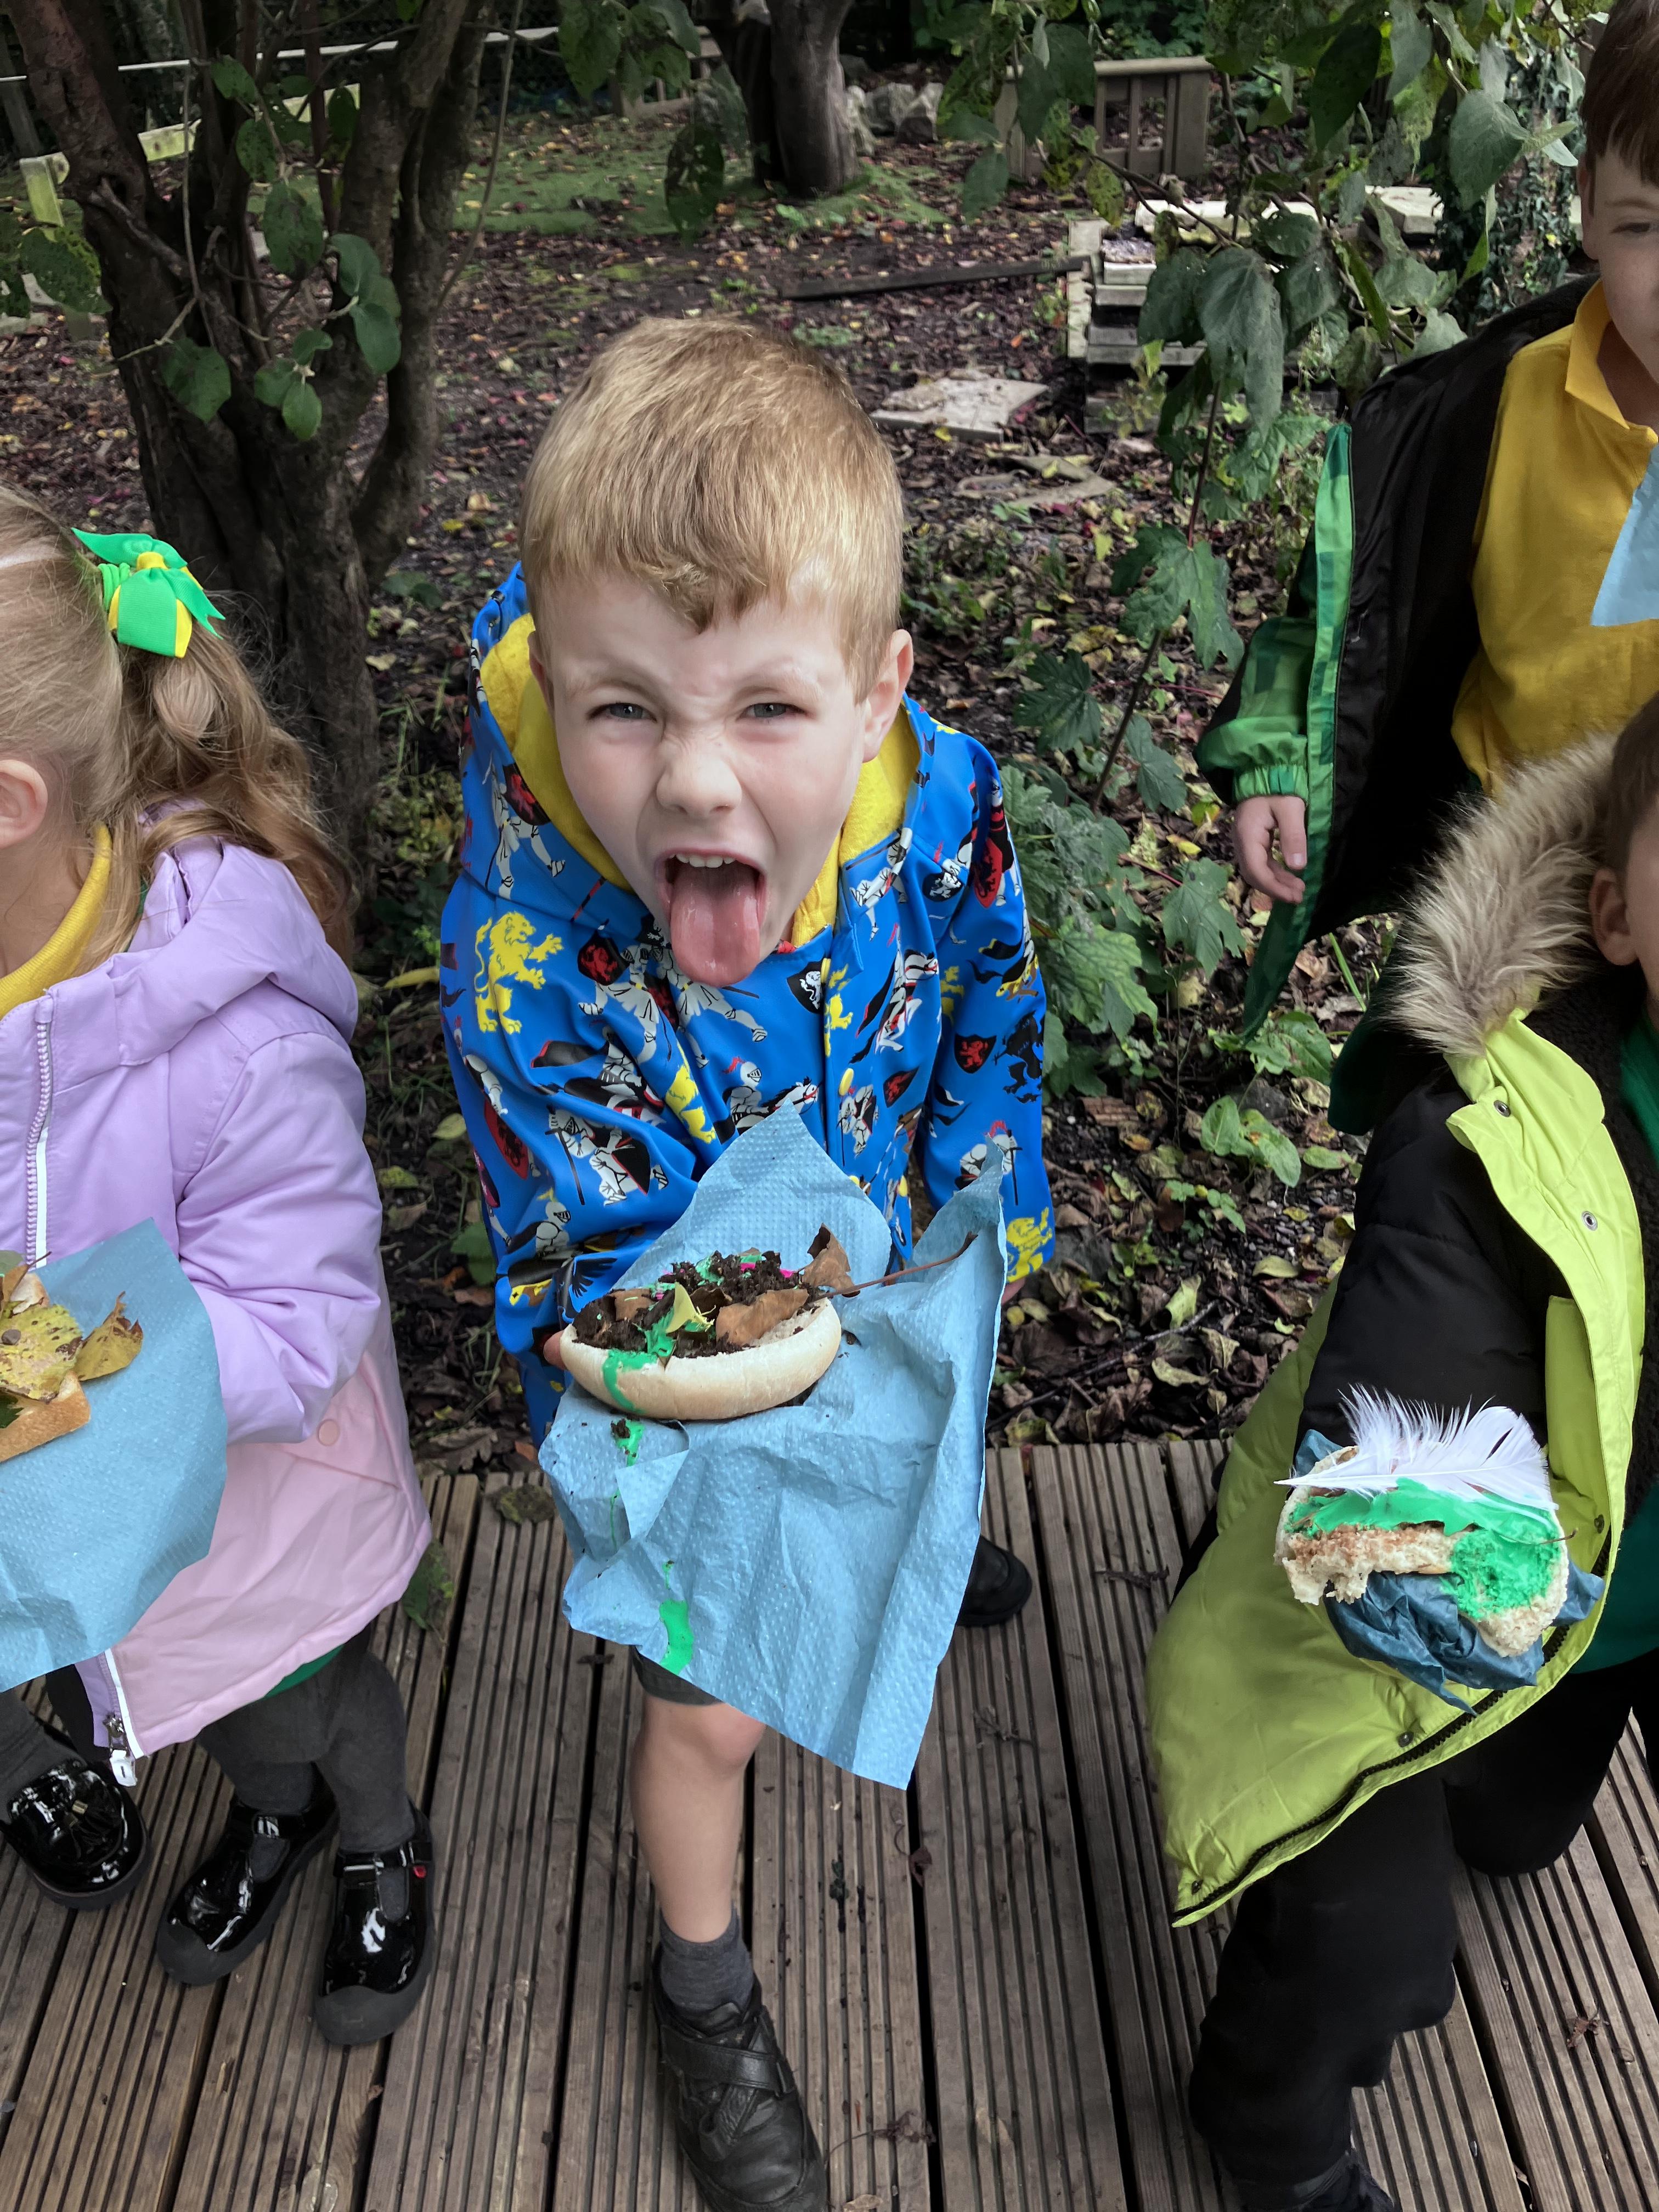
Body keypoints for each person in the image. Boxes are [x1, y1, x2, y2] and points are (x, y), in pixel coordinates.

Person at [442, 315, 1053, 2212]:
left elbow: (988, 1006)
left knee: (908, 1444)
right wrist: (755, 1399)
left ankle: (903, 1527)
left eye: (766, 712)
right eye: (624, 711)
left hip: (876, 1270)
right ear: (556, 682)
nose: (698, 786)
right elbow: (599, 1271)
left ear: (876, 697)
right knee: (709, 1704)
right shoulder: (525, 955)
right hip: (674, 1370)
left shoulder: (940, 804)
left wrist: (985, 1216)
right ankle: (701, 1984)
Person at [1146, 694, 1659, 2212]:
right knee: (1374, 1952)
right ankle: (1266, 2120)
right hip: (1403, 1596)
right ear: (1617, 920)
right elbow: (1395, 1456)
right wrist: (1430, 1541)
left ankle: (1504, 1779)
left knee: (1515, 1831)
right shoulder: (1493, 1137)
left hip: (1613, 1617)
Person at [0, 495, 436, 2046]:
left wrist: (54, 1368)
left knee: (297, 1702)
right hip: (79, 1511)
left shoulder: (230, 1039)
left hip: (258, 1514)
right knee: (212, 1720)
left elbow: (303, 1324)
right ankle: (273, 1816)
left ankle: (377, 1834)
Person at [1201, 0, 1659, 1128]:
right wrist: (1279, 755)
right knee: (1456, 1170)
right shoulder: (1485, 415)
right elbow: (1349, 608)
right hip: (1508, 901)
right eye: (1648, 226)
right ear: (1588, 204)